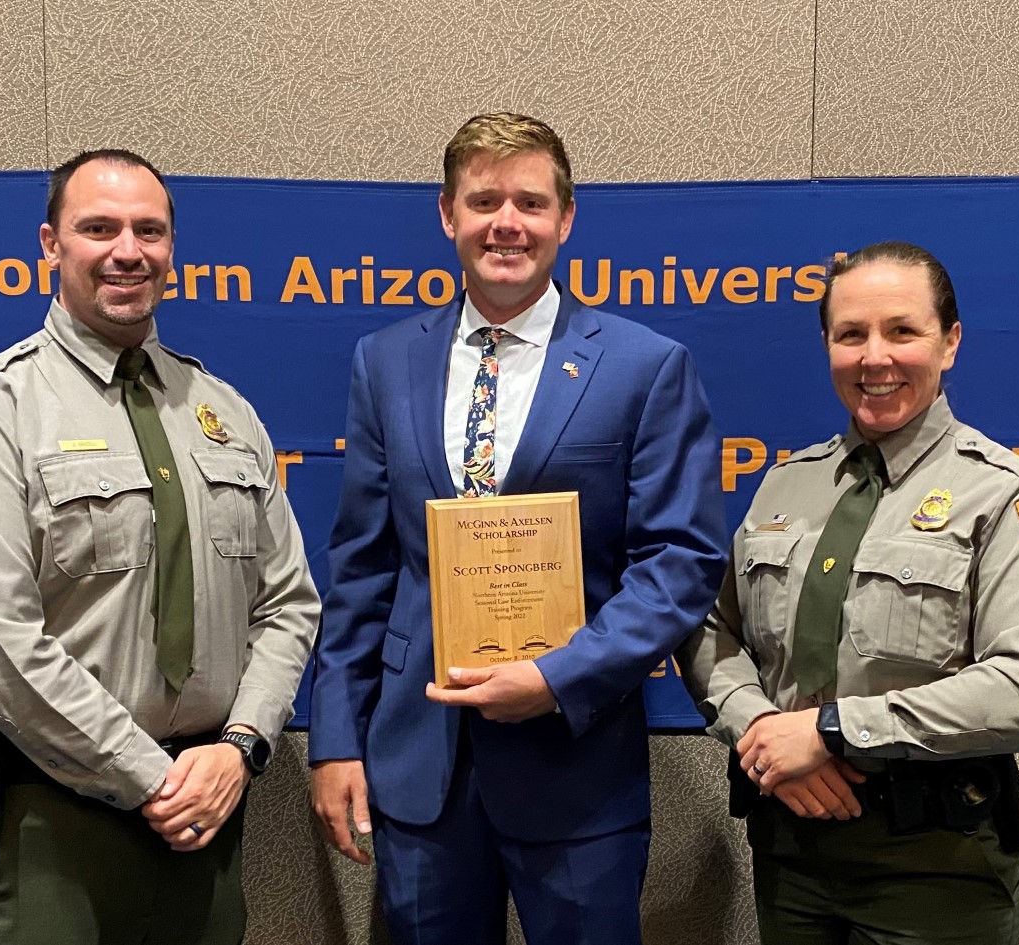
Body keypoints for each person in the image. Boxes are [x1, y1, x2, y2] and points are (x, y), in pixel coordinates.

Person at [308, 112, 727, 945]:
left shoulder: (645, 365)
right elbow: (361, 566)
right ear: (447, 214)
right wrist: (334, 739)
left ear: (565, 220)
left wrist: (558, 677)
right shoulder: (385, 360)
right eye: (485, 200)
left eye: (531, 203)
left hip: (576, 764)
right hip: (418, 762)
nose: (508, 223)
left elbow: (678, 563)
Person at [0, 149, 320, 945]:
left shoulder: (224, 410)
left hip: (208, 817)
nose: (127, 249)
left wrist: (238, 747)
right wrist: (150, 777)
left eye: (149, 229)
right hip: (53, 826)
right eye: (98, 227)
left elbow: (287, 602)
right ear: (50, 245)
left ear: (172, 249)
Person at [678, 240, 1019, 945]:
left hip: (937, 871)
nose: (875, 358)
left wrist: (833, 730)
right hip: (791, 857)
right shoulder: (785, 484)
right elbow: (709, 628)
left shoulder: (1005, 490)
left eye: (903, 330)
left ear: (950, 342)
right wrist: (763, 735)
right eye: (851, 334)